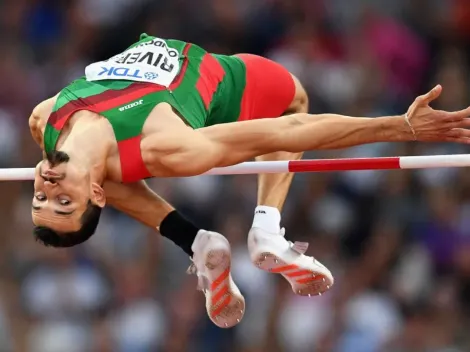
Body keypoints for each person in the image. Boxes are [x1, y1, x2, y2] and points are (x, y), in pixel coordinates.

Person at [28, 33, 470, 328]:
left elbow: (86, 174)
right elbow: (284, 133)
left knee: (108, 166)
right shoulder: (169, 147)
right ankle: (266, 230)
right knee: (292, 100)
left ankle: (197, 242)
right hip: (214, 81)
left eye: (40, 199)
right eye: (63, 202)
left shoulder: (43, 121)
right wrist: (399, 127)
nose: (49, 188)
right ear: (97, 193)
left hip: (147, 91)